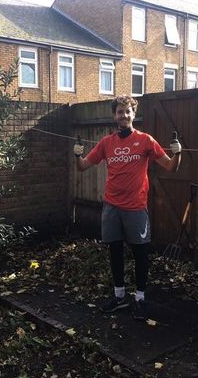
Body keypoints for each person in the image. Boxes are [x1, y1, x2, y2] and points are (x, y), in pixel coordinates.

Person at [73, 94, 182, 321]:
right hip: (111, 206)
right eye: (120, 112)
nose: (124, 115)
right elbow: (82, 167)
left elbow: (171, 167)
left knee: (140, 253)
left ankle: (140, 299)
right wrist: (77, 155)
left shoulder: (146, 141)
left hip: (135, 208)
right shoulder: (106, 143)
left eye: (127, 111)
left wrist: (177, 153)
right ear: (115, 115)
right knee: (115, 252)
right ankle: (119, 296)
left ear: (134, 114)